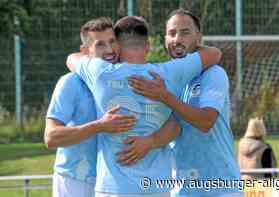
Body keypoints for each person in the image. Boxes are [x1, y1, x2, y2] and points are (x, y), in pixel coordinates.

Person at [66, 15, 222, 196]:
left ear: (116, 45)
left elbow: (71, 58)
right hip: (156, 187)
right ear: (147, 45)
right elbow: (214, 53)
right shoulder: (171, 72)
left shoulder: (99, 72)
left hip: (113, 188)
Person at [121, 9, 242, 196]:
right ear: (164, 39)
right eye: (172, 33)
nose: (177, 39)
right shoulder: (163, 77)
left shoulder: (214, 74)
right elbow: (173, 125)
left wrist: (164, 96)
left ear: (199, 37)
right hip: (181, 190)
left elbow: (206, 122)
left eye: (185, 32)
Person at [45, 17, 136, 197]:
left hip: (114, 183)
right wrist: (99, 125)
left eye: (112, 42)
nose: (109, 50)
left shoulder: (128, 79)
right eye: (100, 45)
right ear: (85, 51)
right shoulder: (70, 83)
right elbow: (51, 137)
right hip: (74, 180)